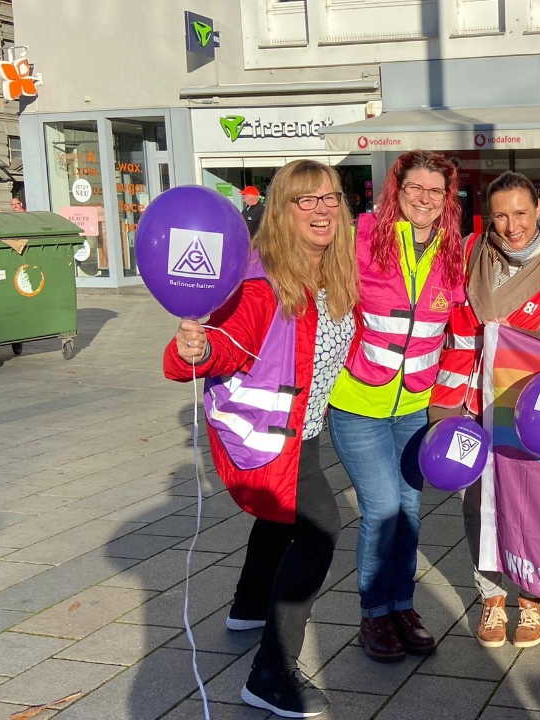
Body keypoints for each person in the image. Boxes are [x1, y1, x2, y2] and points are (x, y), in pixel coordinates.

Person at [164, 159, 360, 718]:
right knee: (321, 531)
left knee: (280, 520)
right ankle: (270, 675)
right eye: (307, 200)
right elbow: (223, 343)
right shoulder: (263, 282)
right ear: (282, 210)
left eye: (331, 198)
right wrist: (194, 350)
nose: (323, 210)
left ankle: (248, 608)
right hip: (271, 436)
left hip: (306, 429)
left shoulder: (333, 270)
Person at [326, 150, 466, 662]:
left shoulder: (455, 251)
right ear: (397, 190)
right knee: (382, 507)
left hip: (415, 403)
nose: (425, 199)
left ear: (447, 199)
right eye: (416, 189)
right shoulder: (362, 235)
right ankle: (372, 615)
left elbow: (457, 328)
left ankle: (402, 605)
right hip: (359, 399)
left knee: (409, 509)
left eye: (435, 191)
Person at [430, 171, 540, 649]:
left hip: (526, 404)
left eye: (520, 213)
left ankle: (532, 596)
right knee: (477, 504)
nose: (511, 226)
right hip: (468, 401)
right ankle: (491, 596)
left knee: (532, 502)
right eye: (500, 215)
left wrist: (515, 343)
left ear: (539, 210)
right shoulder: (472, 253)